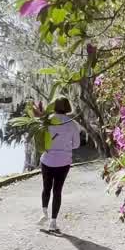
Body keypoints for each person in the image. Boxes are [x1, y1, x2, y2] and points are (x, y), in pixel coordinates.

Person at [38, 97, 80, 232]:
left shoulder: (47, 121)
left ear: (54, 106)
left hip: (47, 160)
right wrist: (65, 145)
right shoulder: (72, 124)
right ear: (68, 107)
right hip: (64, 161)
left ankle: (44, 214)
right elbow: (76, 144)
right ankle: (53, 222)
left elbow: (40, 140)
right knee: (57, 191)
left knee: (46, 188)